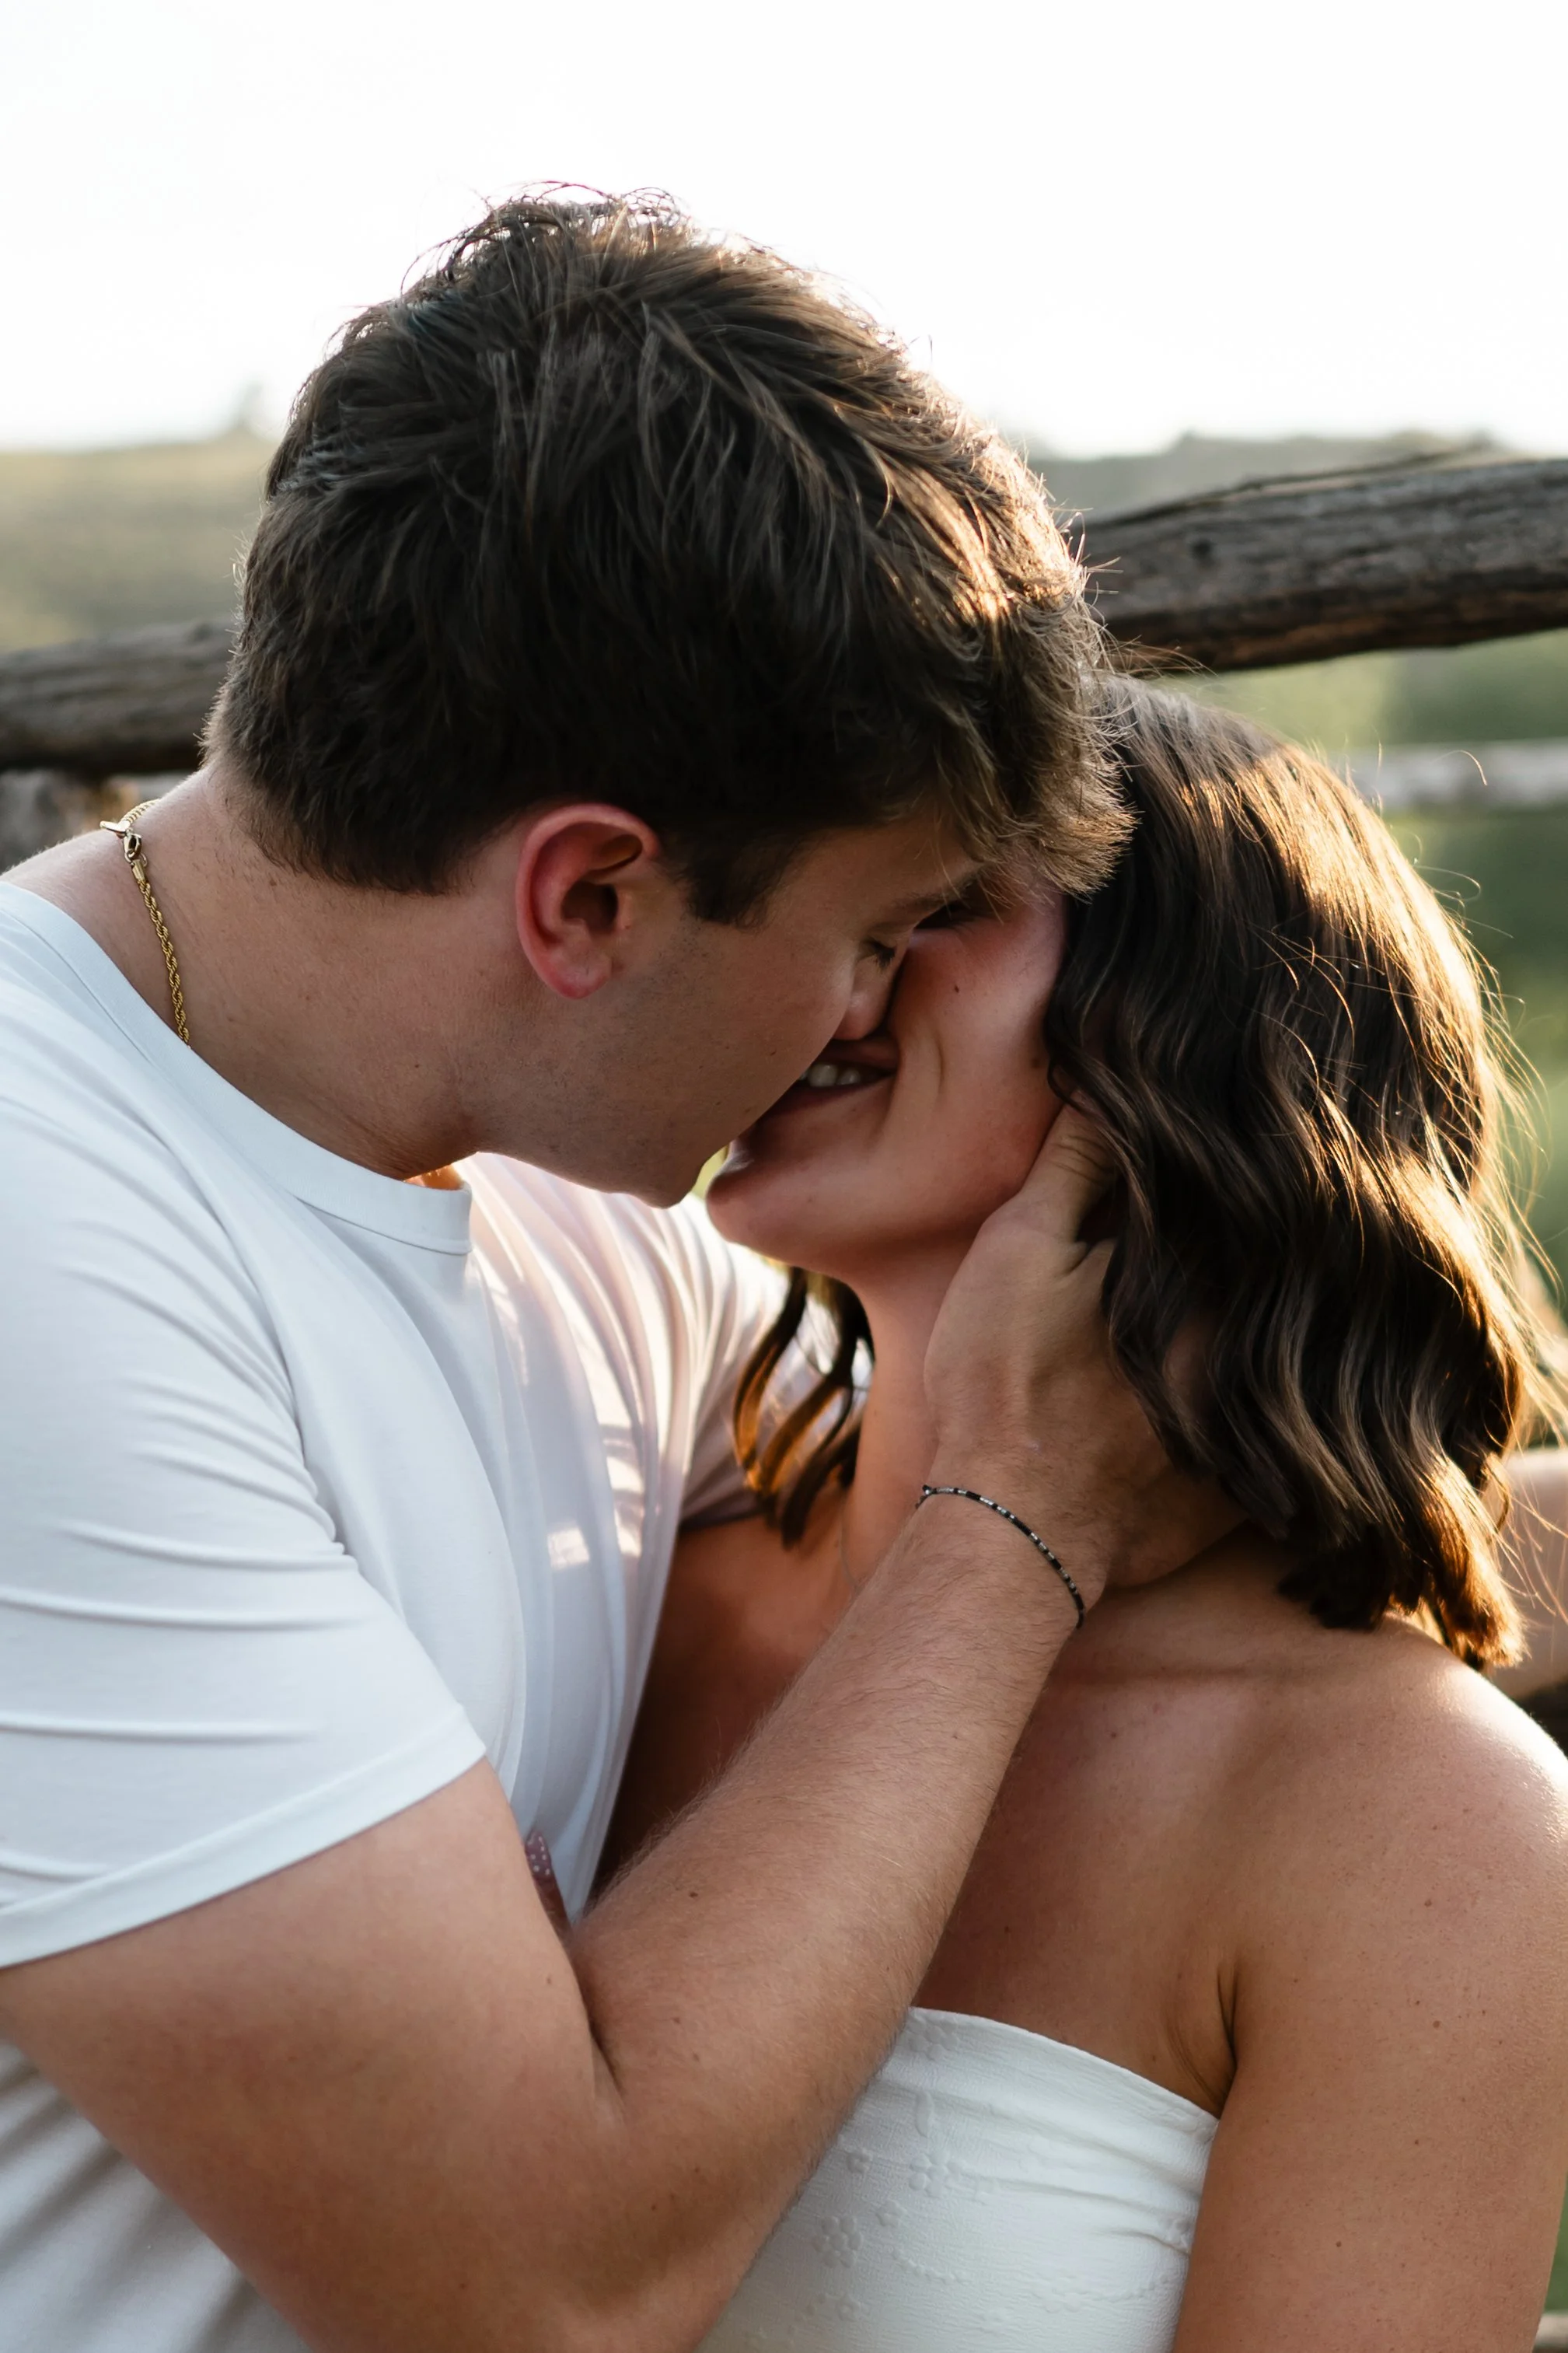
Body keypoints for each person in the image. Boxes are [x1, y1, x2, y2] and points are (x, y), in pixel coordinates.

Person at [0, 197, 1228, 2353]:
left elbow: (1118, 1470)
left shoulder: (562, 1193)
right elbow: (539, 2282)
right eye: (869, 931)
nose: (863, 1013)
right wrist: (1014, 1523)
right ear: (587, 900)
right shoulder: (48, 1244)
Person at [606, 681, 1568, 2353]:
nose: (820, 959)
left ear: (1193, 1034)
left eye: (936, 906)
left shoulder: (1437, 1831)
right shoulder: (614, 1580)